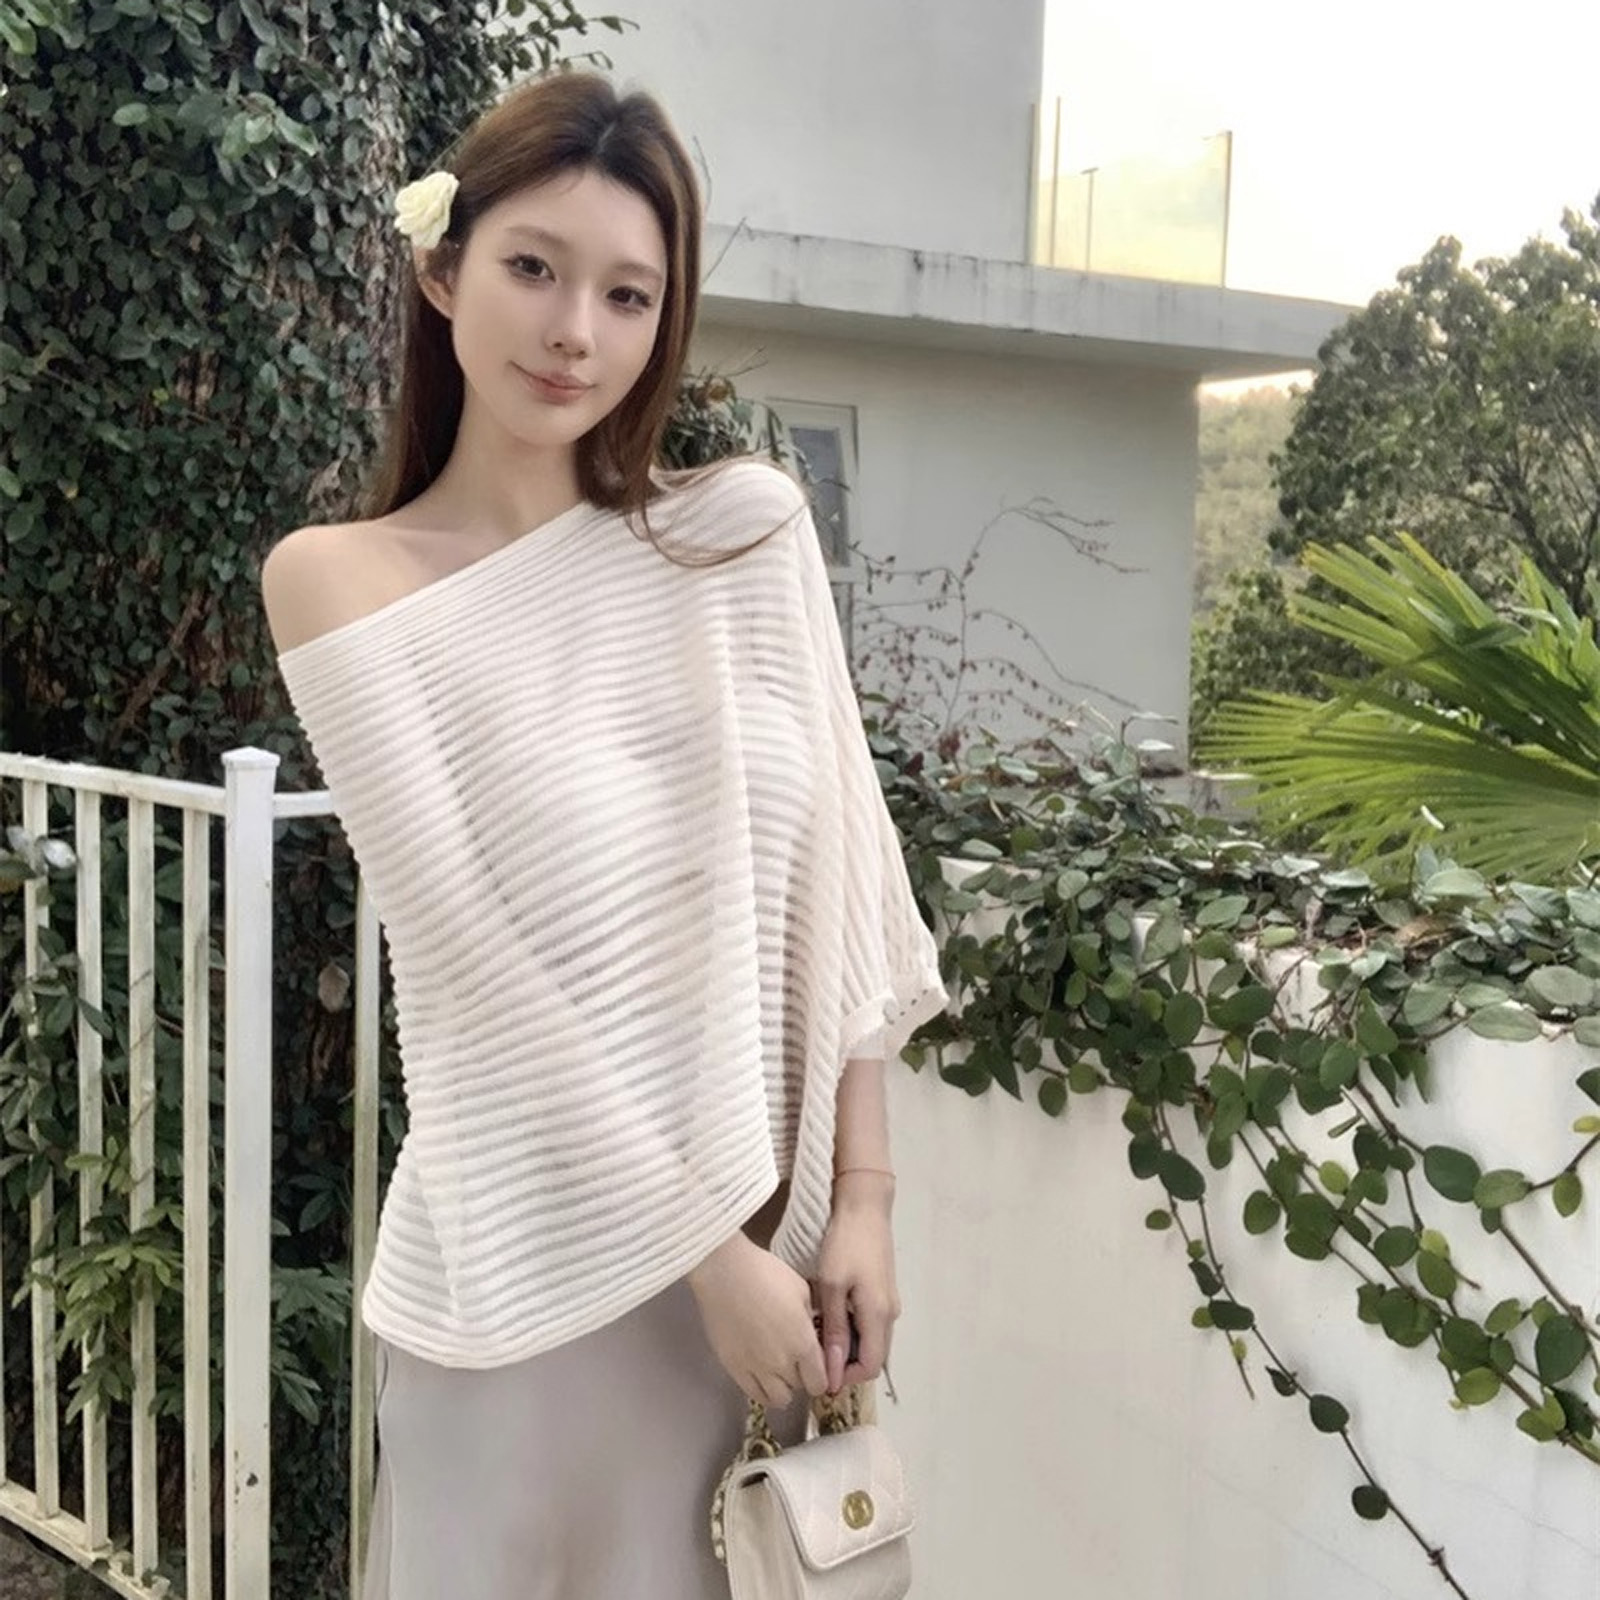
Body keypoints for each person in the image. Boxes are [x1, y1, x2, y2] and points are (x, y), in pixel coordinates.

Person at [259, 67, 947, 1600]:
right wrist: (702, 1254)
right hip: (530, 1279)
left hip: (768, 1272)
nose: (575, 330)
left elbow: (844, 880)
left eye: (629, 294)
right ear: (444, 272)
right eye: (534, 268)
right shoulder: (340, 580)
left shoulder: (745, 536)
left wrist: (866, 1203)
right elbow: (469, 960)